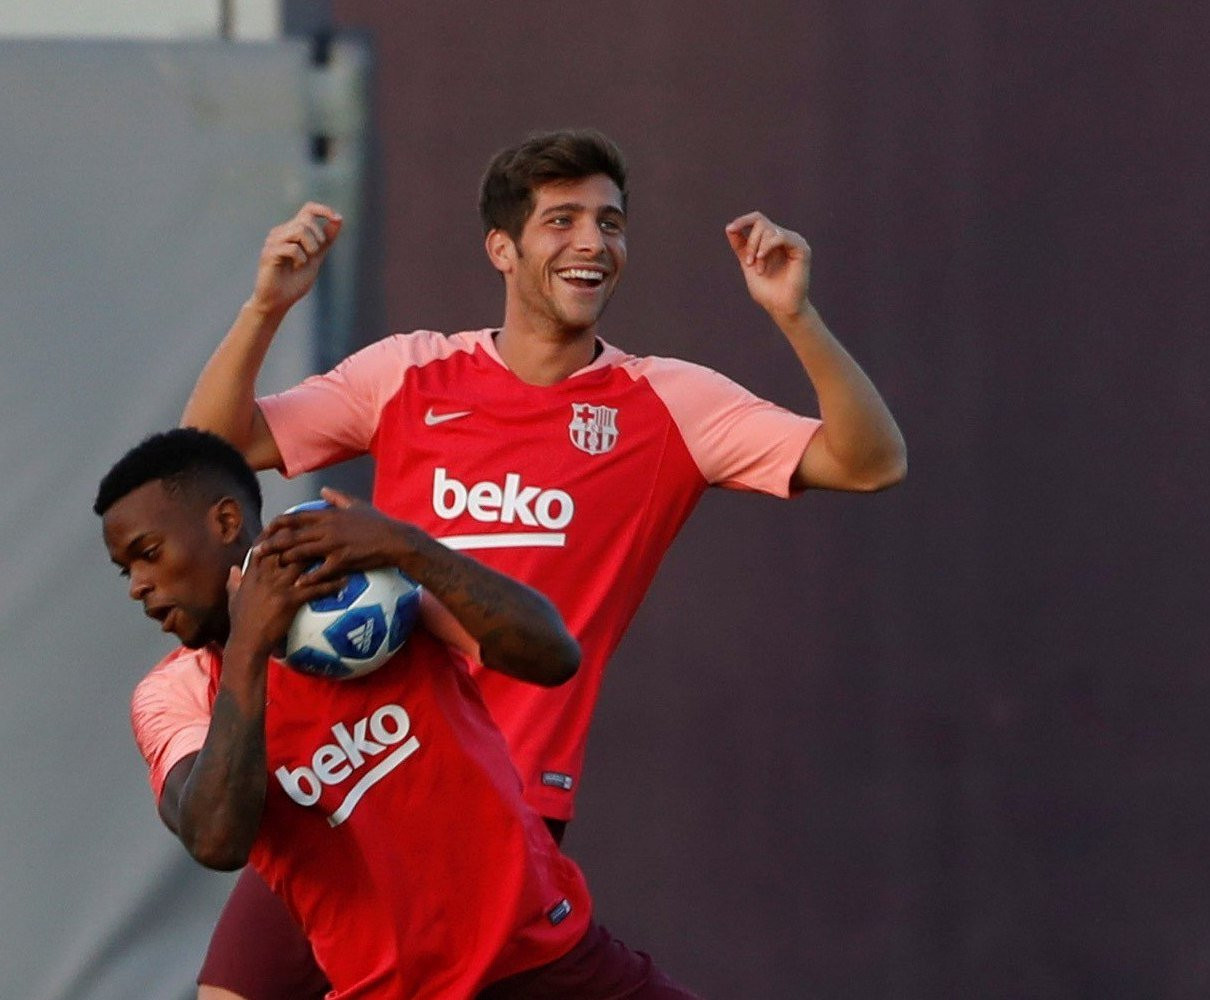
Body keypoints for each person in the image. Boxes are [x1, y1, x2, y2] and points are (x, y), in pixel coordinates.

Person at [182, 128, 907, 999]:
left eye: (611, 222)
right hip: (344, 768)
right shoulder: (410, 372)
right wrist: (265, 309)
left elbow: (871, 462)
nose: (593, 243)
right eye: (562, 220)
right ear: (503, 247)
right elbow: (210, 452)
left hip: (498, 805)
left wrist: (796, 315)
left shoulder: (669, 403)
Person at [96, 427, 701, 999]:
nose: (137, 585)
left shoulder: (370, 581)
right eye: (127, 568)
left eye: (148, 553)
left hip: (550, 961)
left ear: (226, 521)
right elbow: (216, 839)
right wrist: (249, 648)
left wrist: (410, 548)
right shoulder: (173, 693)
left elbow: (554, 656)